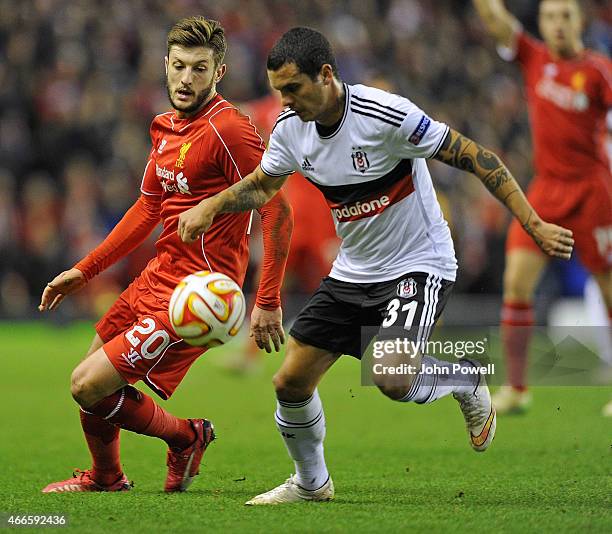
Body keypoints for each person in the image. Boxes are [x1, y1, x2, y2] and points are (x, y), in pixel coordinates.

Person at [177, 27, 574, 504]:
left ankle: (465, 378)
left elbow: (477, 157)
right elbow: (263, 186)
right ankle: (311, 483)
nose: (284, 100)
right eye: (278, 90)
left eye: (293, 89)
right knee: (290, 381)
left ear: (325, 75)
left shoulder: (385, 115)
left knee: (391, 377)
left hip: (419, 263)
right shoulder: (289, 129)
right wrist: (211, 206)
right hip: (354, 270)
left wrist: (532, 223)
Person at [37, 16, 292, 493]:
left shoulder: (230, 130)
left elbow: (277, 209)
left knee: (86, 385)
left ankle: (186, 436)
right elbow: (149, 208)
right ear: (165, 66)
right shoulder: (166, 126)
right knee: (94, 379)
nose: (186, 78)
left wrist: (269, 298)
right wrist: (84, 270)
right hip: (158, 275)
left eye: (199, 68)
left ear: (219, 73)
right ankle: (108, 476)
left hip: (198, 294)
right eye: (179, 66)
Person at [472, 0, 611, 414]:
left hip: (592, 192)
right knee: (516, 282)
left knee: (607, 290)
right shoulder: (533, 58)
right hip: (546, 191)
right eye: (551, 17)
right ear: (543, 23)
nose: (558, 25)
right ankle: (517, 389)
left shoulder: (599, 71)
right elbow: (497, 21)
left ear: (579, 21)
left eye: (566, 16)